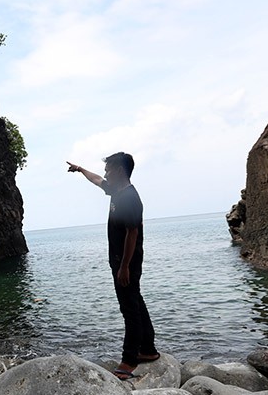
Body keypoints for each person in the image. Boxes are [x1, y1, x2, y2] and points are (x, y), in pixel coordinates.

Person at [67, 152, 159, 380]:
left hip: (127, 261)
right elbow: (97, 180)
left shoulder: (129, 198)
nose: (106, 173)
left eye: (109, 169)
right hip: (121, 261)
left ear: (119, 170)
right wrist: (80, 169)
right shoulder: (116, 191)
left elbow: (132, 232)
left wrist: (125, 266)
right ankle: (148, 349)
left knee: (129, 309)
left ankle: (129, 360)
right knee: (135, 301)